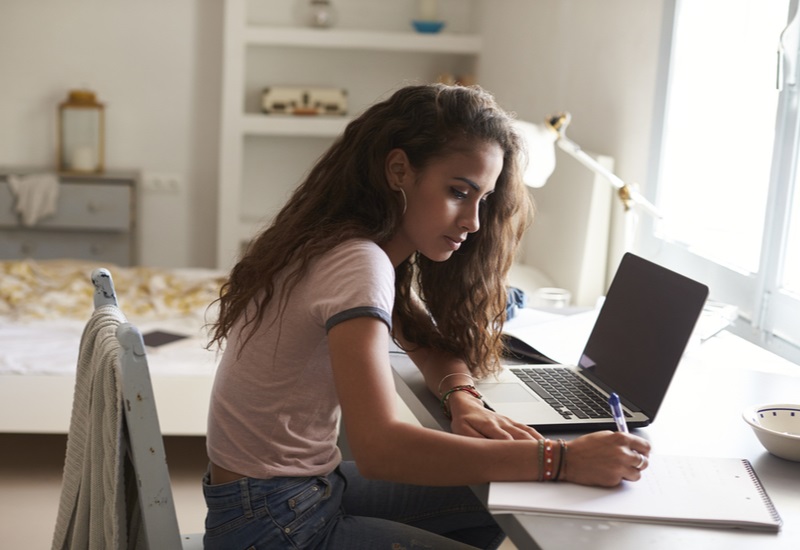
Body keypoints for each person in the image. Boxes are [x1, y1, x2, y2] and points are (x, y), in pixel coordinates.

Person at [203, 83, 651, 550]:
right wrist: (559, 459)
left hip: (274, 498)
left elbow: (425, 340)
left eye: (484, 199)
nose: (474, 222)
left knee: (491, 496)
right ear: (399, 169)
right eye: (459, 191)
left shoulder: (341, 242)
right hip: (273, 523)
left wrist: (463, 395)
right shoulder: (359, 261)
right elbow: (380, 449)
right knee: (511, 481)